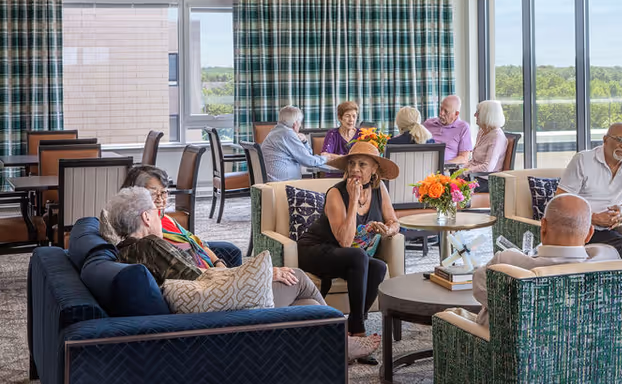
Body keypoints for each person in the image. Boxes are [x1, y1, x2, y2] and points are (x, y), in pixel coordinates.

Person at [106, 187, 380, 360]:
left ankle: (332, 347)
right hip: (218, 313)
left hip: (204, 309)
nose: (159, 215)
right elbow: (201, 280)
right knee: (298, 278)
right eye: (155, 211)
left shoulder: (126, 250)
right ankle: (342, 342)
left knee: (304, 304)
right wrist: (261, 274)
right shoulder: (152, 244)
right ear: (145, 218)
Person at [297, 141, 400, 360]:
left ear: (374, 170)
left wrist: (388, 229)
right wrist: (353, 200)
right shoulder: (336, 193)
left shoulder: (379, 189)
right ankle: (358, 329)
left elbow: (394, 220)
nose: (354, 169)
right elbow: (345, 241)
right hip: (315, 250)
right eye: (351, 163)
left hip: (347, 256)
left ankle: (354, 327)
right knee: (357, 255)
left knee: (379, 267)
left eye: (362, 164)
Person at [472, 194, 619, 325]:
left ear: (543, 226)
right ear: (589, 233)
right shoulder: (609, 259)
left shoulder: (505, 262)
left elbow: (479, 285)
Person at [100, 165, 230, 268]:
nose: (161, 199)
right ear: (135, 195)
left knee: (231, 250)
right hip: (199, 281)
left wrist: (218, 262)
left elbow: (194, 241)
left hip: (208, 268)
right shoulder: (144, 231)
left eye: (164, 192)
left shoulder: (164, 218)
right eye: (153, 193)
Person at [555, 123, 622, 259]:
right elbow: (561, 201)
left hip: (603, 232)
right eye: (620, 140)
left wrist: (621, 210)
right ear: (605, 140)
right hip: (574, 228)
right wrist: (593, 218)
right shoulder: (583, 160)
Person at [261, 105, 330, 182]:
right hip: (283, 184)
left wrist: (304, 142)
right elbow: (309, 161)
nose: (300, 125)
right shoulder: (287, 134)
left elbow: (308, 155)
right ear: (295, 123)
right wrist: (327, 158)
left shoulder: (277, 131)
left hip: (275, 182)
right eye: (300, 122)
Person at [462, 100, 508, 194]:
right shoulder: (482, 132)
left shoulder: (497, 136)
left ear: (487, 115)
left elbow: (488, 167)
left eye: (478, 113)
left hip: (486, 181)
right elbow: (474, 161)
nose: (475, 115)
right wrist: (463, 169)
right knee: (446, 182)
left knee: (451, 187)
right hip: (475, 176)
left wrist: (466, 171)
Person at [424, 95, 472, 164]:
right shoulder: (428, 124)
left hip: (446, 170)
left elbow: (463, 158)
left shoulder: (463, 128)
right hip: (423, 165)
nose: (441, 113)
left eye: (446, 111)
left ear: (456, 113)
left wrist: (442, 165)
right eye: (441, 109)